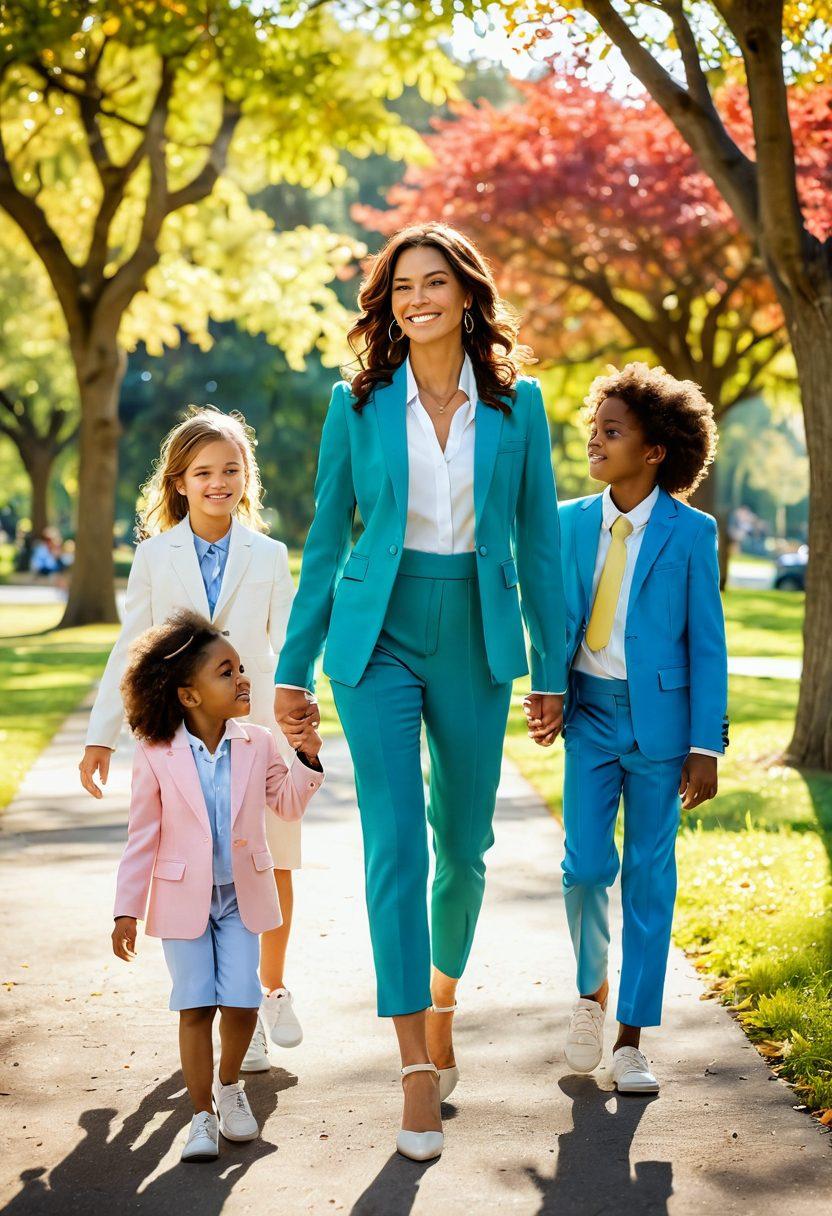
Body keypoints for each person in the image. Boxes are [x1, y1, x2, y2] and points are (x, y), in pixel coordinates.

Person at [274, 222, 567, 1160]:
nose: (416, 299)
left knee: (465, 847)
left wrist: (552, 668)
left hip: (477, 637)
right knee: (394, 841)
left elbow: (540, 544)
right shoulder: (356, 404)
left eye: (434, 282)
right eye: (401, 287)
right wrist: (291, 669)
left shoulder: (520, 408)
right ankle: (411, 1067)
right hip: (378, 637)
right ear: (386, 304)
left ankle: (442, 996)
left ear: (467, 294)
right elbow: (327, 541)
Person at [81, 407, 316, 1071]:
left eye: (231, 470)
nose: (219, 482)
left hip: (258, 734)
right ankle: (218, 1000)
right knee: (198, 864)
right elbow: (132, 647)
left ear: (247, 478)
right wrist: (101, 736)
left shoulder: (269, 555)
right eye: (204, 472)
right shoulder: (155, 557)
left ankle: (267, 993)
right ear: (179, 482)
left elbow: (291, 642)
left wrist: (300, 710)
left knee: (272, 863)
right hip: (182, 738)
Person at [551, 363, 728, 1095]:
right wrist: (547, 689)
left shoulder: (691, 533)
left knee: (650, 879)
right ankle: (590, 992)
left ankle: (630, 1039)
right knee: (586, 868)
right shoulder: (567, 522)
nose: (596, 440)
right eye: (595, 427)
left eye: (613, 431)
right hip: (590, 716)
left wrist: (706, 745)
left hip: (663, 729)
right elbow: (549, 619)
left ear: (656, 451)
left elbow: (707, 643)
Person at [111, 610, 323, 1162]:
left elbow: (288, 805)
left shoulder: (259, 743)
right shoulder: (156, 753)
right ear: (189, 696)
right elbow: (141, 837)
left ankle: (230, 1088)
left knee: (243, 1002)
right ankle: (201, 1114)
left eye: (241, 668)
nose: (242, 679)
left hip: (239, 898)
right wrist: (126, 909)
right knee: (195, 1006)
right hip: (182, 900)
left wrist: (306, 754)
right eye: (226, 672)